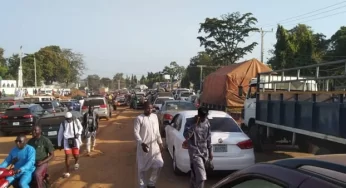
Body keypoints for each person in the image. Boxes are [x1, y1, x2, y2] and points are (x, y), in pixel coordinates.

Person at [134, 101, 164, 188]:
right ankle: (142, 185)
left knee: (159, 164)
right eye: (148, 108)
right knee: (142, 168)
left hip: (154, 147)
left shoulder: (154, 117)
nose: (150, 110)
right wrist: (141, 143)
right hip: (144, 147)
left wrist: (161, 143)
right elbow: (136, 133)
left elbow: (157, 131)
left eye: (151, 108)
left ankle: (151, 183)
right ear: (144, 108)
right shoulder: (139, 118)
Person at [183, 107, 213, 188]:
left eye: (205, 116)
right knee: (201, 176)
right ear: (198, 115)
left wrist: (210, 151)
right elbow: (186, 136)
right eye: (202, 117)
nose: (204, 118)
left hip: (204, 153)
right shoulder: (190, 122)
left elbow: (208, 137)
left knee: (195, 175)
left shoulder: (207, 122)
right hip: (194, 153)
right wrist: (194, 124)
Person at [57, 112, 83, 178]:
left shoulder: (76, 121)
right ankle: (67, 171)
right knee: (67, 156)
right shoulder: (63, 123)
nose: (68, 120)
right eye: (67, 119)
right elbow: (60, 134)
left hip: (75, 140)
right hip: (66, 141)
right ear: (65, 118)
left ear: (71, 118)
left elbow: (81, 128)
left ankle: (76, 162)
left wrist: (78, 133)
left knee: (76, 155)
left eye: (69, 119)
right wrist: (59, 144)